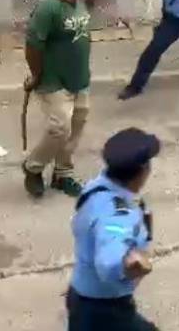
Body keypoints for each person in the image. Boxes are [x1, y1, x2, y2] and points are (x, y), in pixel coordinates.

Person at [67, 127, 161, 331]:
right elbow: (108, 263)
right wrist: (133, 265)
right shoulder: (117, 215)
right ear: (143, 170)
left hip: (82, 294)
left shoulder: (98, 186)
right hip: (104, 308)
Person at [22, 0, 98, 198]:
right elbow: (33, 46)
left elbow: (90, 8)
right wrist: (37, 75)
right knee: (59, 128)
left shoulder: (79, 1)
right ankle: (33, 168)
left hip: (80, 78)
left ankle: (62, 174)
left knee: (76, 125)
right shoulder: (48, 8)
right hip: (54, 81)